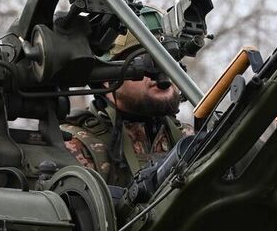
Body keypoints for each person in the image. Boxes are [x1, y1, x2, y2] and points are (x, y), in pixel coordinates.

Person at [62, 35, 190, 188]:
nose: (160, 71)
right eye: (145, 61)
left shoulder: (190, 138)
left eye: (168, 58)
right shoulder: (75, 146)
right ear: (107, 77)